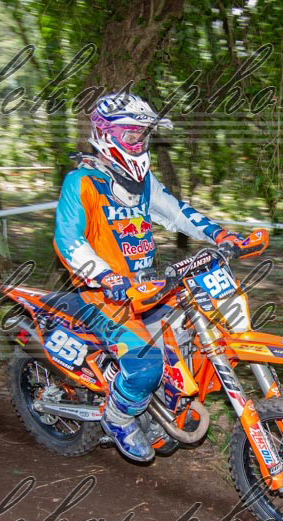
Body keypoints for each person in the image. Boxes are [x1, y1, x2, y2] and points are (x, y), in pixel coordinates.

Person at [53, 93, 258, 462]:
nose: (138, 142)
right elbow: (68, 240)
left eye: (143, 135)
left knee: (191, 337)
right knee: (146, 365)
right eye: (131, 134)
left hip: (149, 288)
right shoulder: (81, 182)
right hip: (104, 296)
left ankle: (163, 411)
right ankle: (118, 418)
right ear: (106, 134)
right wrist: (104, 275)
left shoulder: (143, 182)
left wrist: (221, 235)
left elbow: (178, 213)